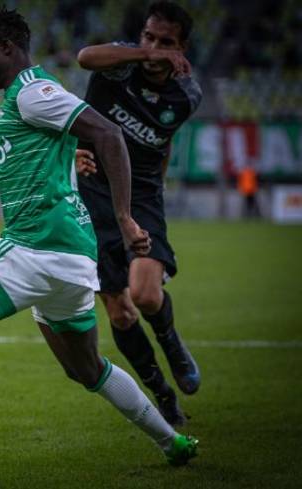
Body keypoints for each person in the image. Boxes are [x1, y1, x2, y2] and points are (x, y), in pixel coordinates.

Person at [0, 6, 198, 480]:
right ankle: (172, 441)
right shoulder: (32, 95)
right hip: (73, 261)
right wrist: (73, 163)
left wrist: (124, 218)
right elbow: (69, 146)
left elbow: (109, 133)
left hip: (36, 247)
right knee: (87, 369)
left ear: (7, 48)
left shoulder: (32, 92)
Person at [75, 1, 202, 427]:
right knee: (120, 311)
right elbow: (85, 57)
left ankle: (173, 345)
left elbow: (163, 140)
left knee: (145, 295)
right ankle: (162, 394)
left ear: (182, 48)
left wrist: (156, 189)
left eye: (166, 42)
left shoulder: (186, 95)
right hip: (93, 195)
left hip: (143, 194)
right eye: (149, 37)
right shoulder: (119, 65)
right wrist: (144, 52)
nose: (154, 47)